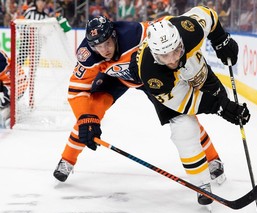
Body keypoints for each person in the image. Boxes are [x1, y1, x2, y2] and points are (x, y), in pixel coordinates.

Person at [53, 15, 226, 191]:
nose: (104, 50)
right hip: (115, 79)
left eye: (107, 43)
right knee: (89, 115)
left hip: (149, 77)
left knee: (182, 116)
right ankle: (67, 160)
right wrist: (84, 118)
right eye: (98, 46)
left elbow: (164, 26)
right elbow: (76, 89)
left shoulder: (134, 34)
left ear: (114, 35)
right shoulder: (88, 55)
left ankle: (213, 159)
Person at [132, 6, 250, 205]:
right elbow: (186, 101)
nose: (172, 59)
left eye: (175, 50)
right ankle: (201, 183)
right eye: (164, 56)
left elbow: (208, 15)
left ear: (180, 41)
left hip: (192, 64)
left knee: (220, 94)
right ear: (155, 55)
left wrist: (221, 39)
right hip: (169, 88)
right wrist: (221, 107)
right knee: (185, 129)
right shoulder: (151, 73)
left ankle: (210, 158)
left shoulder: (188, 29)